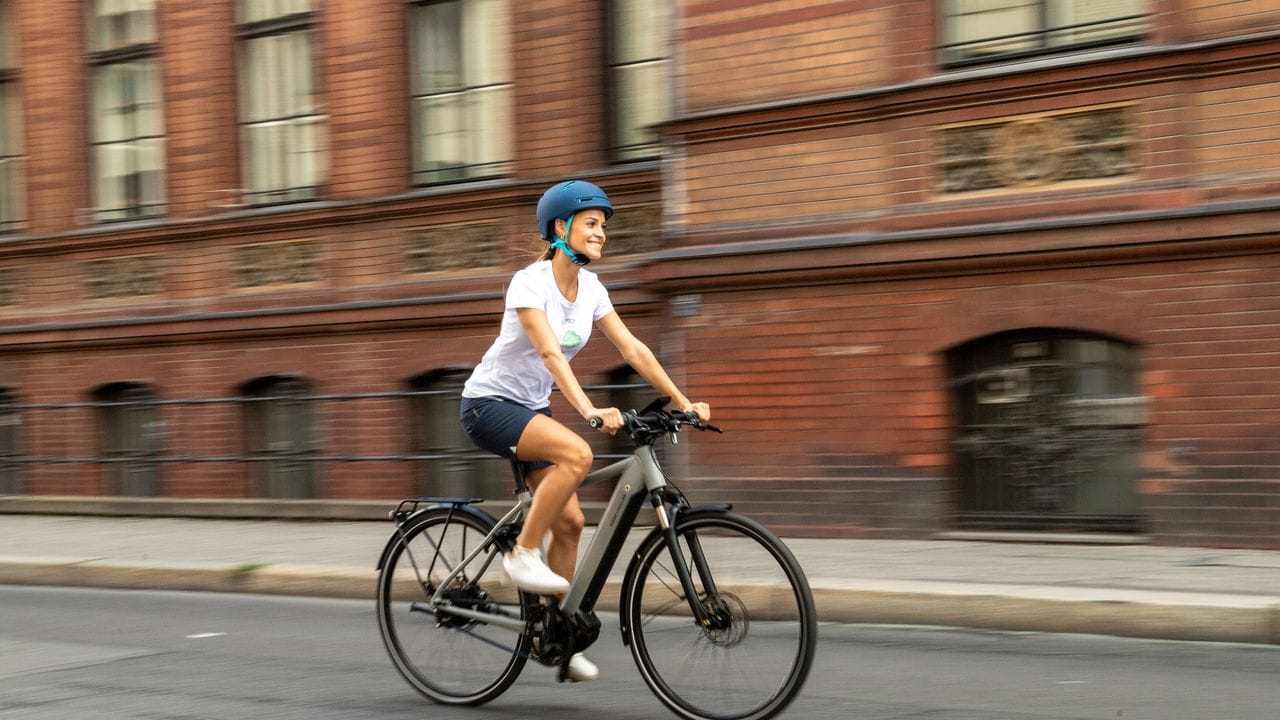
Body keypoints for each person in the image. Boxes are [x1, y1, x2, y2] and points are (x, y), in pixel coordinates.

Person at [459, 179, 710, 682]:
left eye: (603, 226)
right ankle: (522, 554)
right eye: (591, 224)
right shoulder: (528, 283)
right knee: (577, 455)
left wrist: (684, 402)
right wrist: (591, 410)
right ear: (561, 227)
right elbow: (551, 352)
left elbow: (632, 349)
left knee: (571, 521)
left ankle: (557, 634)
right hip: (488, 406)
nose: (601, 234)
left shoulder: (591, 288)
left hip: (530, 410)